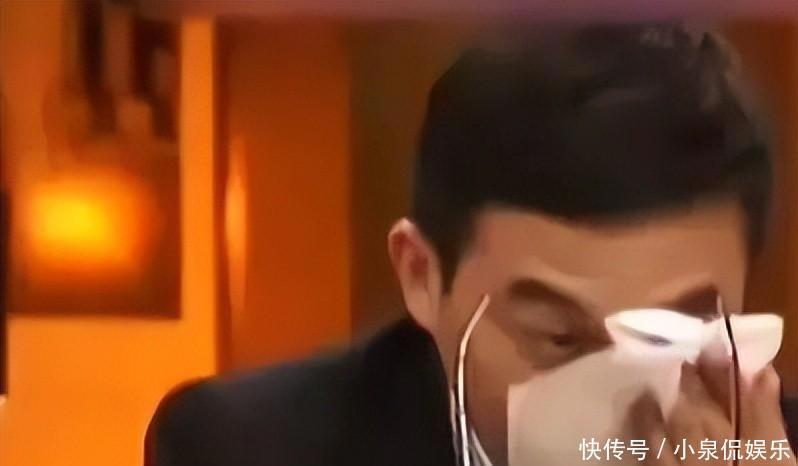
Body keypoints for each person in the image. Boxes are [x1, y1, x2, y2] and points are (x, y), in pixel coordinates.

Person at [146, 23, 797, 466]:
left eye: (675, 338)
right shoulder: (248, 448)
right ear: (423, 277)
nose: (622, 404)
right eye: (560, 340)